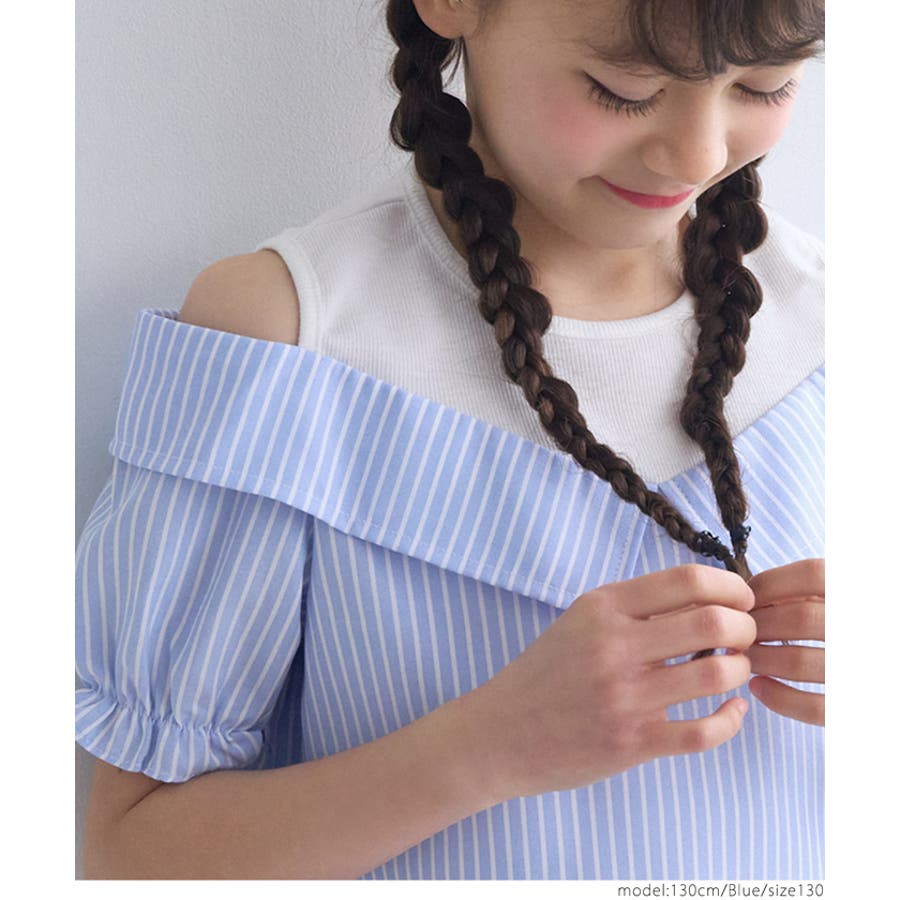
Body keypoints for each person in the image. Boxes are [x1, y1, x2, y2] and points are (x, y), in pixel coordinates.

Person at [76, 0, 826, 880]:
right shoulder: (288, 346)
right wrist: (489, 747)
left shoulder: (834, 322)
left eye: (765, 85)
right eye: (625, 88)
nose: (699, 156)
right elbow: (129, 856)